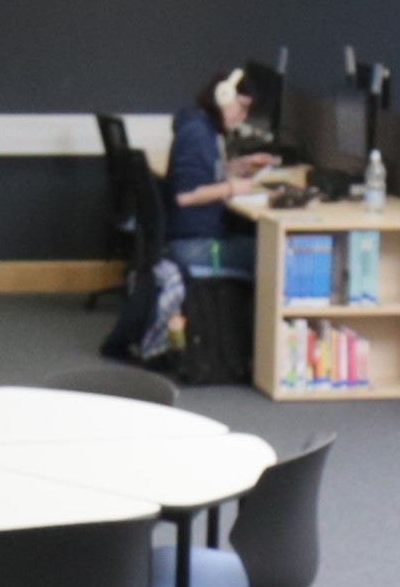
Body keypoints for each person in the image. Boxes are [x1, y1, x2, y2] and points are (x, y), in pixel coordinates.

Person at [111, 62, 291, 368]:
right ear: (223, 96)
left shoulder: (198, 127)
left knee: (256, 241)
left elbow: (201, 176)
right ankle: (265, 356)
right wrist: (234, 187)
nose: (243, 116)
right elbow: (185, 195)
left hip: (187, 237)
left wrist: (236, 167)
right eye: (242, 107)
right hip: (193, 245)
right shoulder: (197, 135)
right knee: (272, 253)